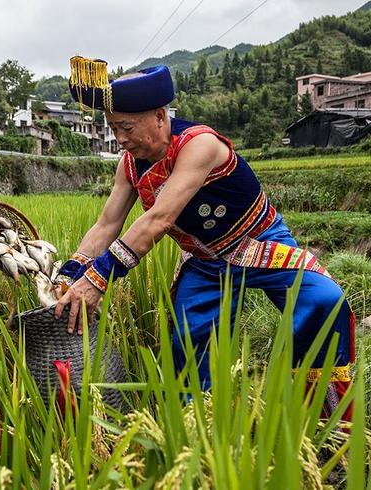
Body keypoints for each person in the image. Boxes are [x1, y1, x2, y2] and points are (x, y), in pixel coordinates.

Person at [54, 57, 355, 419]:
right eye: (113, 128)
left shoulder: (199, 145)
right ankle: (199, 425)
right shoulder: (130, 164)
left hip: (258, 244)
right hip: (207, 260)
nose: (119, 139)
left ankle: (328, 422)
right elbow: (106, 224)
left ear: (160, 117)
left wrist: (100, 276)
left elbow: (159, 219)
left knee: (325, 301)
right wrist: (72, 271)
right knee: (191, 340)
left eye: (126, 127)